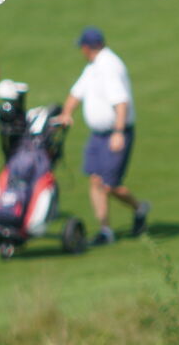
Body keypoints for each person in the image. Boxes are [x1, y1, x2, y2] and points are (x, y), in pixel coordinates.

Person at [59, 27, 149, 244]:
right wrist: (66, 113)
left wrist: (118, 133)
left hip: (114, 133)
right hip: (98, 135)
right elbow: (76, 93)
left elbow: (121, 102)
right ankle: (105, 230)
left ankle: (139, 208)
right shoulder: (93, 67)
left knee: (110, 184)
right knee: (95, 180)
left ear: (87, 47)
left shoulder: (109, 66)